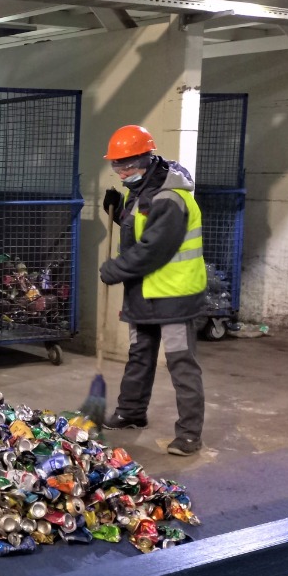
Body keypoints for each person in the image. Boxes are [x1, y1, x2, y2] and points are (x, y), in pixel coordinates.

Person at [98, 125, 207, 456]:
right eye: (117, 166)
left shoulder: (170, 198)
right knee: (140, 355)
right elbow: (141, 229)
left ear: (146, 159)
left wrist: (116, 269)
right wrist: (118, 212)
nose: (122, 172)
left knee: (180, 363)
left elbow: (154, 249)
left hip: (174, 295)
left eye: (127, 165)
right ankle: (131, 412)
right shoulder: (142, 189)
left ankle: (189, 434)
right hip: (144, 293)